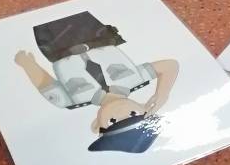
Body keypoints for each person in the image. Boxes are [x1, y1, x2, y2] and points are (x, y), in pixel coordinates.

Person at [13, 11, 178, 154]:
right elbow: (170, 65)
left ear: (96, 125)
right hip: (93, 33)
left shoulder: (70, 101)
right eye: (133, 114)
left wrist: (28, 65)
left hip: (55, 45)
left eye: (113, 121)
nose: (121, 112)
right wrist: (162, 93)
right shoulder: (136, 79)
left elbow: (46, 84)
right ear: (144, 107)